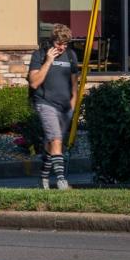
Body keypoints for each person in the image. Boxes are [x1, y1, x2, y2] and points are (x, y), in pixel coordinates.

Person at [27, 24, 79, 190]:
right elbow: (34, 83)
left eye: (65, 44)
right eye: (58, 44)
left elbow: (74, 85)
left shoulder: (71, 56)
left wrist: (72, 105)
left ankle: (43, 178)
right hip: (45, 102)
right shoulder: (39, 55)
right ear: (51, 41)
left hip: (65, 106)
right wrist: (48, 61)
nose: (62, 48)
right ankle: (62, 182)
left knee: (53, 144)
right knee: (55, 139)